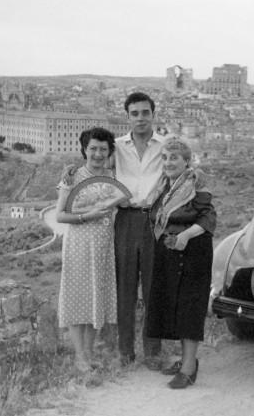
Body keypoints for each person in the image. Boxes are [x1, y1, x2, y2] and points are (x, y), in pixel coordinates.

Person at [146, 138, 216, 389]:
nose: (168, 163)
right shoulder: (164, 185)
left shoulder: (196, 182)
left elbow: (208, 217)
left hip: (192, 251)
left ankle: (188, 369)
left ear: (186, 161)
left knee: (189, 306)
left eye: (174, 158)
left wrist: (185, 236)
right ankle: (186, 360)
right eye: (164, 158)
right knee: (174, 306)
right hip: (169, 251)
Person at [55, 127, 120, 371]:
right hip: (79, 244)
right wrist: (87, 215)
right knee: (76, 297)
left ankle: (90, 353)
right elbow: (60, 215)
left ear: (110, 151)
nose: (98, 154)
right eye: (93, 148)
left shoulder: (113, 177)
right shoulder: (71, 177)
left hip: (104, 246)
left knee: (96, 299)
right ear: (84, 149)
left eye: (103, 149)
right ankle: (80, 356)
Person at [114, 92, 166, 369]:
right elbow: (94, 166)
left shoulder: (165, 146)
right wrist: (70, 175)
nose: (140, 118)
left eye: (145, 112)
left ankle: (153, 352)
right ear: (128, 117)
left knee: (152, 288)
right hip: (125, 220)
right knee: (125, 289)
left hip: (154, 220)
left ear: (153, 115)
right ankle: (125, 352)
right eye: (135, 114)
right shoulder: (116, 146)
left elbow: (185, 172)